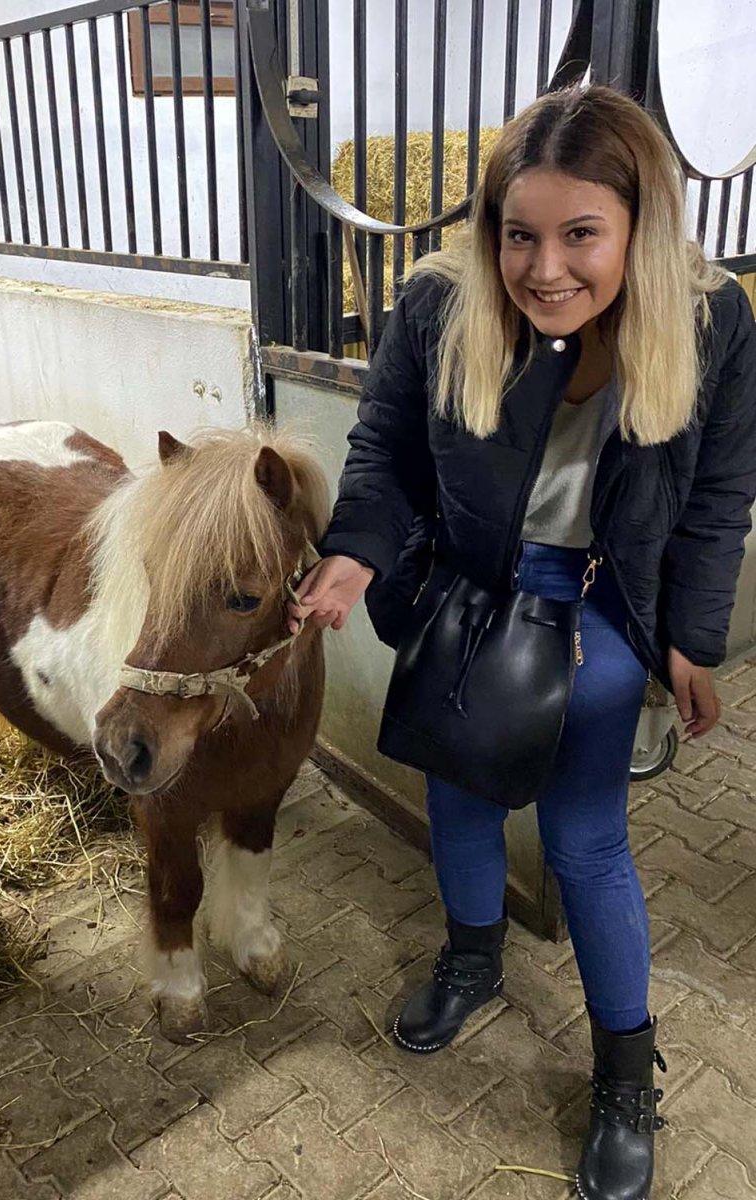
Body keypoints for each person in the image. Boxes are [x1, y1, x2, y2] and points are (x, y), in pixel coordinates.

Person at [288, 83, 756, 1200]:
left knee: (587, 839)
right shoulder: (441, 304)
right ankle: (473, 959)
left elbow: (717, 496)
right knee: (459, 800)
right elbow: (387, 447)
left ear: (638, 229)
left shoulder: (712, 319)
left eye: (581, 233)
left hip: (599, 600)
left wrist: (690, 643)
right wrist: (355, 547)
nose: (546, 268)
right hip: (471, 594)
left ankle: (626, 1077)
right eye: (520, 234)